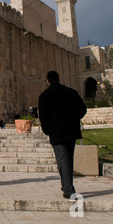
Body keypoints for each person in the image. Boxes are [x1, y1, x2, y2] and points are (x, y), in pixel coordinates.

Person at [38, 71, 87, 199]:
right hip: (71, 131)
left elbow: (43, 117)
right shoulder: (71, 93)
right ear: (58, 79)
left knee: (63, 160)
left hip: (56, 132)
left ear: (48, 81)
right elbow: (83, 110)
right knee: (68, 159)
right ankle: (66, 186)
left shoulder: (45, 96)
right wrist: (74, 119)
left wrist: (47, 130)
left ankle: (68, 189)